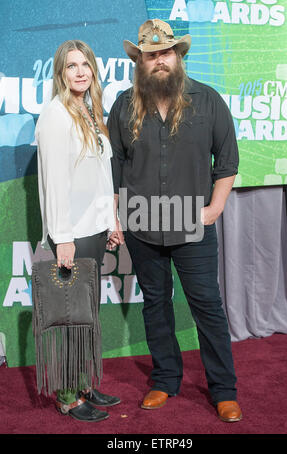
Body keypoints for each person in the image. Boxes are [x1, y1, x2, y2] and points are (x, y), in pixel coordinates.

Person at [107, 19, 242, 422]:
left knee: (208, 306)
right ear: (140, 61)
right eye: (151, 55)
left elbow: (228, 162)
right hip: (140, 222)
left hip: (193, 223)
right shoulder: (123, 105)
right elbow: (114, 168)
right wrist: (116, 217)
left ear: (178, 56)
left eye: (166, 52)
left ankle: (224, 389)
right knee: (155, 304)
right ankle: (165, 379)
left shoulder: (208, 99)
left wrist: (214, 209)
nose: (159, 60)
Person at [36, 40, 121, 422]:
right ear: (61, 72)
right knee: (72, 317)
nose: (80, 72)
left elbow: (101, 176)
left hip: (94, 229)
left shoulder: (88, 111)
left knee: (87, 315)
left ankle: (83, 383)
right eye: (72, 66)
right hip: (72, 234)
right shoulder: (56, 115)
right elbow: (54, 183)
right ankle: (68, 397)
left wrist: (111, 221)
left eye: (85, 64)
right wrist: (62, 236)